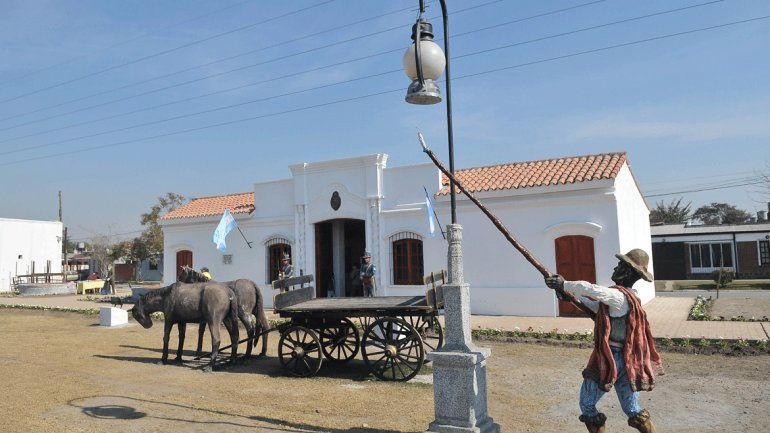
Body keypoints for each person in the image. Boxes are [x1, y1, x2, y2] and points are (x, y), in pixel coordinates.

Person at [545, 249, 662, 433]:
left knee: (587, 404)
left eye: (621, 265)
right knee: (631, 409)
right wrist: (563, 291)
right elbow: (593, 305)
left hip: (610, 359)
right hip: (628, 359)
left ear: (629, 272)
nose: (616, 268)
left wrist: (564, 283)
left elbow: (591, 290)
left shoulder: (618, 296)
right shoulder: (631, 296)